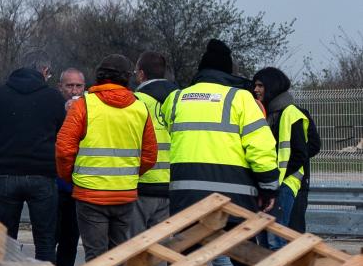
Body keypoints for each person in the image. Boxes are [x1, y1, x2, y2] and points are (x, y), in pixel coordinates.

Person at [57, 55, 158, 262]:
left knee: (96, 257)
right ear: (127, 77)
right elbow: (150, 155)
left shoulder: (84, 105)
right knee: (118, 257)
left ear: (99, 76)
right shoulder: (139, 108)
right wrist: (128, 176)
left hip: (90, 194)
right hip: (124, 194)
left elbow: (64, 150)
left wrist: (72, 178)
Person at [0, 60, 65, 262]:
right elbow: (66, 134)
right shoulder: (53, 97)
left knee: (7, 242)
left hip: (6, 176)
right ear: (43, 75)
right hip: (42, 176)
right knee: (45, 241)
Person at [163, 39, 279, 216]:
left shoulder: (176, 99)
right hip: (233, 202)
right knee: (236, 245)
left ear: (201, 71)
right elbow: (261, 148)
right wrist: (269, 188)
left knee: (189, 244)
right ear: (228, 72)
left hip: (185, 201)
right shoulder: (241, 99)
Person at [253, 66, 320, 239]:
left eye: (260, 85)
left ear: (272, 86)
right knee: (270, 239)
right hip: (272, 184)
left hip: (290, 184)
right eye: (255, 85)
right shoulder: (264, 115)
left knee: (288, 237)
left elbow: (311, 147)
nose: (256, 90)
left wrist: (284, 168)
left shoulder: (293, 113)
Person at [131, 53, 179, 233]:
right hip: (171, 185)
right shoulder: (180, 100)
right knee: (160, 249)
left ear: (141, 74)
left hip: (143, 184)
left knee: (133, 250)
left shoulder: (136, 101)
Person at [54, 68, 86, 266]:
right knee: (50, 235)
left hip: (79, 183)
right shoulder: (53, 106)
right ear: (60, 87)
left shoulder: (90, 109)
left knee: (71, 237)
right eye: (69, 85)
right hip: (54, 182)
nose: (74, 90)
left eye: (78, 86)